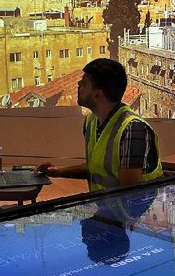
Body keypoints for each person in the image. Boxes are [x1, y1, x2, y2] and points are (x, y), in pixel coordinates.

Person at [35, 58, 163, 190]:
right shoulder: (92, 121)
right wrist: (56, 172)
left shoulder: (133, 130)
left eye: (84, 84)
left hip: (129, 210)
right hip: (104, 206)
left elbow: (129, 196)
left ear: (97, 95)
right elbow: (97, 169)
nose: (78, 84)